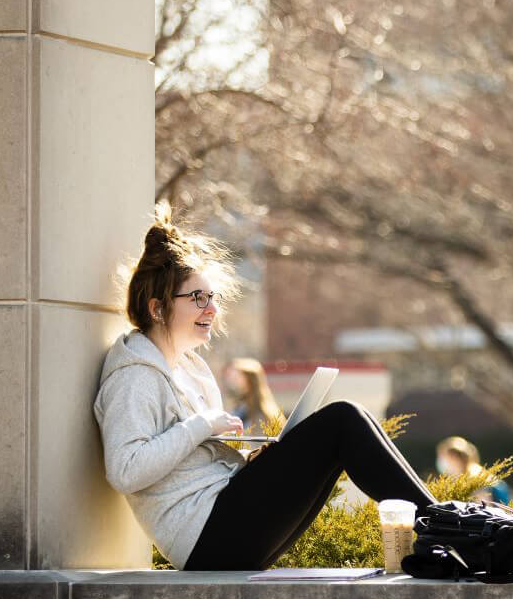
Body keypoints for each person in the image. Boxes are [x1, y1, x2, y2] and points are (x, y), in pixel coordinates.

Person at [93, 215, 437, 570]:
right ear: (158, 308)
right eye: (197, 298)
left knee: (351, 421)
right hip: (204, 536)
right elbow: (125, 470)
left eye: (212, 297)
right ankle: (448, 528)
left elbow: (196, 463)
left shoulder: (190, 368)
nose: (211, 309)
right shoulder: (134, 376)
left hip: (220, 519)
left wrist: (247, 468)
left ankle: (445, 527)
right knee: (342, 420)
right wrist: (200, 426)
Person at [435, 436, 513, 505]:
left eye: (445, 457)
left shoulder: (476, 477)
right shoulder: (465, 475)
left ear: (455, 458)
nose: (442, 461)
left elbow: (484, 508)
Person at [223, 357, 285, 434]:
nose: (231, 383)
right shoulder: (240, 409)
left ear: (249, 381)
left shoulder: (262, 416)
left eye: (235, 378)